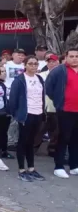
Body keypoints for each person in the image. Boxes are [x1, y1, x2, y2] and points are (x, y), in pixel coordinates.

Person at [8, 56, 46, 181]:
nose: (33, 66)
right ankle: (21, 170)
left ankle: (31, 168)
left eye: (35, 64)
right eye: (30, 64)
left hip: (38, 113)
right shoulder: (20, 80)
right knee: (22, 142)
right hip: (26, 115)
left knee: (31, 142)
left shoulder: (39, 78)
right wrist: (16, 115)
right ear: (25, 65)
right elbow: (13, 99)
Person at [45, 48, 78, 178]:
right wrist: (58, 101)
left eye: (77, 56)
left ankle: (74, 165)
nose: (74, 58)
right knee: (63, 137)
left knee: (76, 139)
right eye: (72, 56)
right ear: (66, 57)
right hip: (65, 110)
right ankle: (58, 166)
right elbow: (49, 87)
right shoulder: (59, 71)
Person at [39, 54, 60, 158]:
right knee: (40, 130)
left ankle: (52, 149)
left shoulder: (62, 74)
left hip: (57, 106)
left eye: (54, 61)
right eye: (49, 62)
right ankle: (32, 148)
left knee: (56, 131)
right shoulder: (41, 75)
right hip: (44, 106)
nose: (51, 63)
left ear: (58, 62)